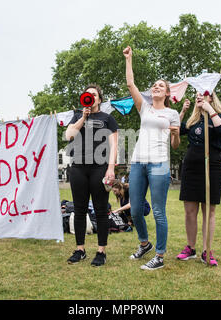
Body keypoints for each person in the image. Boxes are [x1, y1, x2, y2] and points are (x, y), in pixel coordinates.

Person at [123, 45, 181, 270]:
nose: (156, 87)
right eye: (154, 85)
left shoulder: (172, 114)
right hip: (138, 163)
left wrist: (175, 135)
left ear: (167, 93)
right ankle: (144, 243)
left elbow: (175, 146)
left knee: (158, 211)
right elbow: (130, 84)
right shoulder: (144, 108)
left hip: (159, 164)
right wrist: (129, 59)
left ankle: (159, 255)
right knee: (135, 209)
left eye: (161, 86)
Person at [65, 84, 118, 267]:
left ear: (100, 100)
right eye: (88, 95)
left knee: (101, 210)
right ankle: (80, 250)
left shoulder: (108, 119)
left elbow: (114, 146)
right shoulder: (77, 115)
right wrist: (83, 116)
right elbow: (69, 135)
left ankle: (101, 251)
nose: (91, 97)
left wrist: (111, 168)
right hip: (78, 168)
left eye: (94, 95)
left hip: (100, 168)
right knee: (79, 210)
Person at [176, 93, 221, 267]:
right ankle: (190, 248)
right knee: (190, 210)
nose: (199, 97)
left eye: (204, 95)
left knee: (209, 211)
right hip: (191, 167)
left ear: (212, 98)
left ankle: (207, 250)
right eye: (197, 95)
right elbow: (176, 128)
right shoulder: (193, 121)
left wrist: (210, 110)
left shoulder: (220, 117)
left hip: (211, 166)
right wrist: (183, 112)